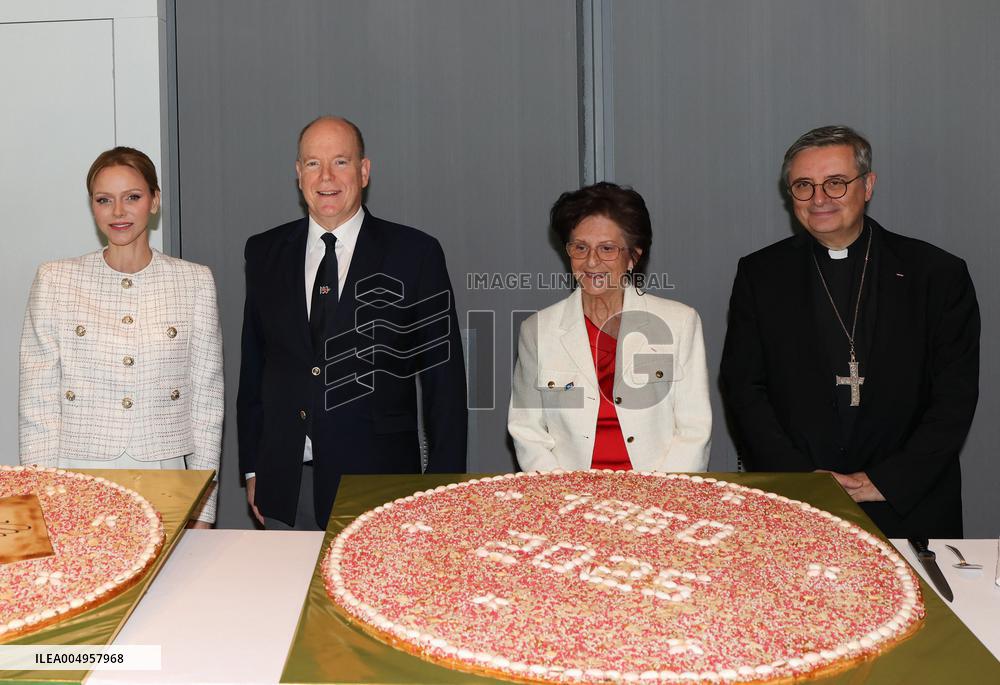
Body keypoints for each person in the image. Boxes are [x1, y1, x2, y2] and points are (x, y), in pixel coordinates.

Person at [720, 125, 980, 538]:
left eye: (836, 183)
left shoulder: (936, 274)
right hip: (800, 505)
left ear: (868, 185)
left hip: (910, 503)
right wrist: (801, 479)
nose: (819, 198)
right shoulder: (761, 275)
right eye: (803, 185)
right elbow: (744, 388)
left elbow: (955, 396)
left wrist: (886, 482)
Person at [238, 116, 467, 530]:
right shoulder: (264, 252)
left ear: (363, 171)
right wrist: (254, 469)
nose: (326, 177)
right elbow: (253, 370)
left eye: (340, 162)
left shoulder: (414, 254)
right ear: (298, 173)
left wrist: (442, 491)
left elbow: (444, 386)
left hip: (382, 486)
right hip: (287, 486)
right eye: (312, 164)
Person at [19, 146, 224, 527]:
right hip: (77, 474)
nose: (118, 212)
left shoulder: (194, 281)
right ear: (92, 207)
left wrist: (203, 506)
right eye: (104, 200)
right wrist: (36, 502)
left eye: (132, 197)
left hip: (166, 473)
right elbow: (38, 405)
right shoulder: (56, 280)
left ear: (154, 201)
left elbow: (207, 404)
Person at [509, 182, 711, 472]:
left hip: (658, 493)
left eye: (607, 249)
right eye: (580, 247)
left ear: (633, 257)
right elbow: (527, 431)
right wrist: (563, 495)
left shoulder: (679, 322)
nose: (591, 262)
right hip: (570, 496)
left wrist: (661, 495)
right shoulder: (537, 330)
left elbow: (694, 430)